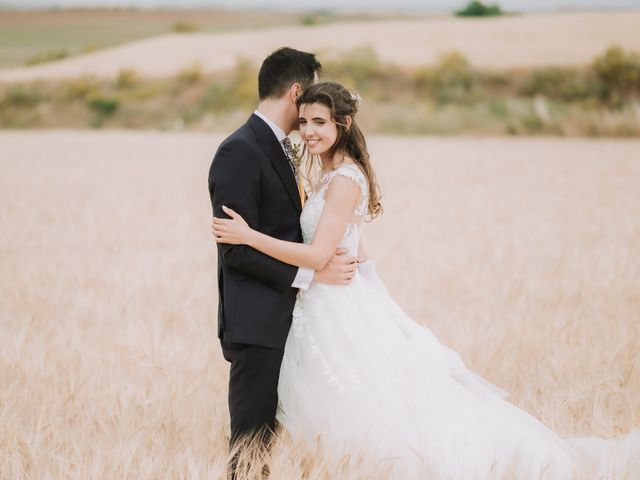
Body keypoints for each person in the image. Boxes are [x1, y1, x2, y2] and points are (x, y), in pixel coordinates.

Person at [212, 81, 639, 478]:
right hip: (323, 305)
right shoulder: (326, 173)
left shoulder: (343, 178)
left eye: (319, 122)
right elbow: (336, 243)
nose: (308, 131)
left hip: (334, 306)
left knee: (370, 411)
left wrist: (250, 236)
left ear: (343, 124)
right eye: (303, 122)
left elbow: (320, 254)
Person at [207, 49, 361, 475]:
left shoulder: (281, 148)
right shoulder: (239, 150)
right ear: (296, 91)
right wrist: (311, 273)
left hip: (293, 320)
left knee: (280, 444)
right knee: (250, 451)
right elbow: (235, 249)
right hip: (257, 323)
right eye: (308, 93)